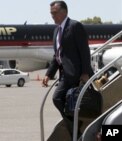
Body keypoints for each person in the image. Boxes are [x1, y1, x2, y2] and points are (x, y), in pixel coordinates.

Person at [42, 0, 93, 138]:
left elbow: (84, 51)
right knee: (66, 103)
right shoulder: (56, 31)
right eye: (51, 13)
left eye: (54, 13)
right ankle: (75, 128)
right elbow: (57, 55)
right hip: (64, 74)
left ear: (64, 12)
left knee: (57, 98)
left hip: (75, 73)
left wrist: (85, 72)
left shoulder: (75, 26)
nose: (52, 16)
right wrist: (48, 74)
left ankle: (75, 130)